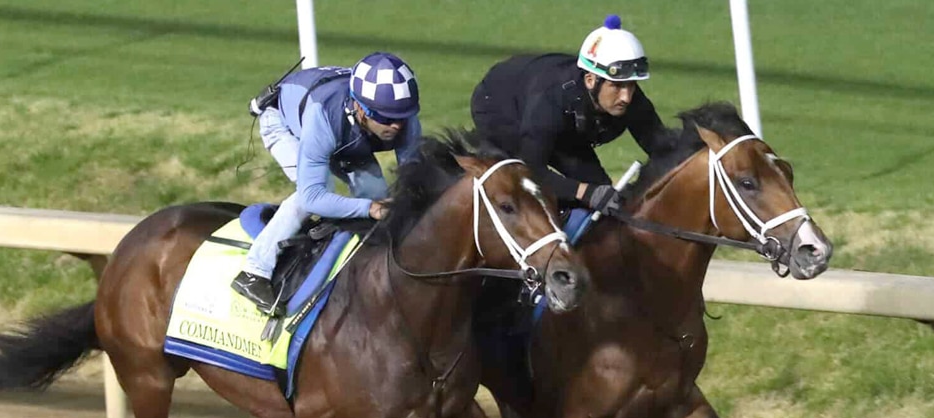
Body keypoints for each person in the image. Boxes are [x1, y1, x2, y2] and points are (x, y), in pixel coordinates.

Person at [233, 52, 423, 315]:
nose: (397, 125)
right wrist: (369, 208)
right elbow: (311, 196)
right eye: (387, 118)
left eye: (402, 117)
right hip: (287, 125)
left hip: (349, 137)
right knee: (315, 193)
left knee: (377, 194)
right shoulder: (322, 115)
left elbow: (414, 178)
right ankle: (255, 271)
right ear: (361, 108)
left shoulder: (403, 118)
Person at [469, 15, 666, 214]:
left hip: (561, 123)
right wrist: (583, 192)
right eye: (616, 86)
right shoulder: (549, 103)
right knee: (528, 193)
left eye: (632, 85)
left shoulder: (631, 99)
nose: (626, 97)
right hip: (500, 106)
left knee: (603, 192)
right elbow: (529, 171)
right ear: (591, 80)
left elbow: (664, 148)